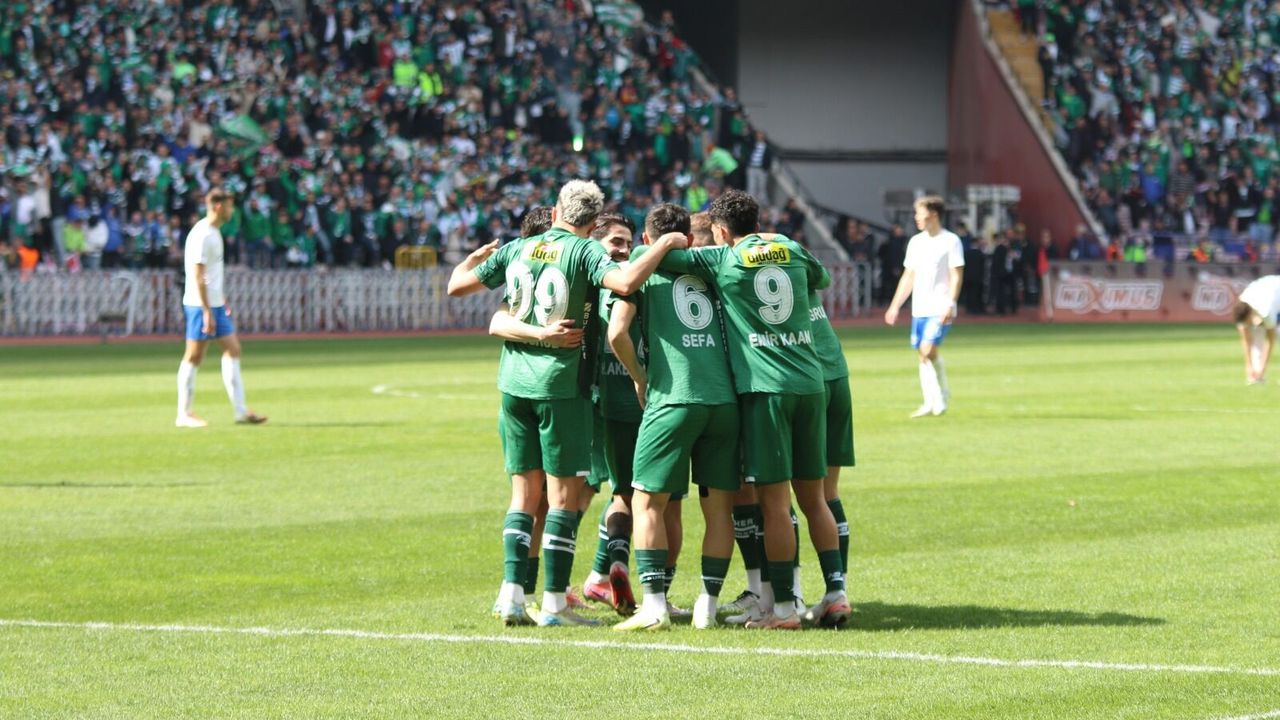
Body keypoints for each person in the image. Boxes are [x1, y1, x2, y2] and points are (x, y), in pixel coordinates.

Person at [446, 180, 687, 627]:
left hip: (513, 383)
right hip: (561, 385)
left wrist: (472, 259)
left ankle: (512, 596)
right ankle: (555, 604)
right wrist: (665, 243)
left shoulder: (519, 247)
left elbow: (456, 287)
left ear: (556, 211)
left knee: (523, 496)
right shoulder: (584, 250)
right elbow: (626, 280)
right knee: (562, 498)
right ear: (593, 224)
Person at [643, 189, 849, 629]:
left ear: (720, 231)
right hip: (811, 384)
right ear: (758, 221)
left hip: (766, 390)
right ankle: (836, 592)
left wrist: (665, 241)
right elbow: (821, 280)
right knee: (815, 498)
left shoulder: (723, 258)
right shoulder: (790, 247)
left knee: (775, 504)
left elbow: (664, 262)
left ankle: (783, 609)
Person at [606, 203, 741, 631]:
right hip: (723, 401)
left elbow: (616, 332)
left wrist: (640, 378)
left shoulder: (642, 269)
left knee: (647, 503)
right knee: (718, 508)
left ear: (647, 238)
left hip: (673, 398)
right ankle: (708, 605)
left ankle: (655, 606)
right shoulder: (715, 265)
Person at [176, 189, 268, 428]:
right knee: (194, 355)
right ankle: (183, 414)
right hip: (199, 304)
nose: (232, 211)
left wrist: (221, 300)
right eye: (229, 206)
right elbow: (198, 276)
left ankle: (240, 411)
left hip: (214, 303)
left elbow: (212, 275)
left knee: (233, 349)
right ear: (218, 206)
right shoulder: (202, 234)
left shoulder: (214, 232)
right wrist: (207, 310)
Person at [884, 196, 964, 418]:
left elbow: (956, 275)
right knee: (922, 355)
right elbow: (908, 276)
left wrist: (950, 302)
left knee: (928, 349)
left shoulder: (951, 241)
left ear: (934, 214)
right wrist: (895, 306)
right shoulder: (916, 242)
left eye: (920, 213)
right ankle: (929, 401)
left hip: (940, 306)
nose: (916, 217)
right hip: (920, 307)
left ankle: (942, 395)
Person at [1232, 275, 1280, 385]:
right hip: (1270, 290)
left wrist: (1263, 368)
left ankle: (1259, 373)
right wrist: (1248, 365)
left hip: (1275, 294)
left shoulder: (1266, 311)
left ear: (1250, 314)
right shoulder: (1242, 303)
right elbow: (1246, 339)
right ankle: (1255, 376)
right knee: (1257, 330)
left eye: (1248, 322)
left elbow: (1270, 340)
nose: (1248, 325)